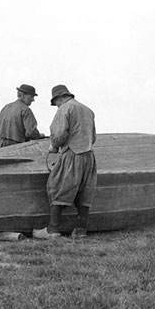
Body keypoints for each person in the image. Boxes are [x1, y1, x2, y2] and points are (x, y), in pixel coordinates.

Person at [33, 85, 97, 240]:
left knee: (57, 187)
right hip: (89, 156)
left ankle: (52, 230)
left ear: (59, 98)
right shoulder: (88, 110)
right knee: (85, 193)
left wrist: (54, 146)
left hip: (71, 155)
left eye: (56, 103)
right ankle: (81, 230)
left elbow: (60, 133)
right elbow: (93, 137)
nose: (56, 106)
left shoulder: (64, 109)